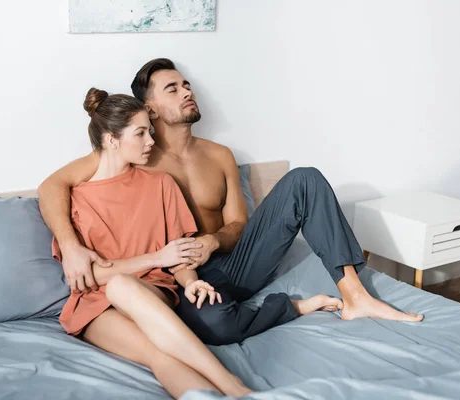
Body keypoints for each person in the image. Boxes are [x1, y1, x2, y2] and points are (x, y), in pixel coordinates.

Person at [39, 58, 423, 347]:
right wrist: (71, 247)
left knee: (305, 178)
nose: (187, 91)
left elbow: (239, 225)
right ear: (150, 109)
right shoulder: (136, 153)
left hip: (233, 264)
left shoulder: (219, 155)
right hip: (180, 277)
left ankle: (355, 294)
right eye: (172, 88)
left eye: (187, 84)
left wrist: (213, 241)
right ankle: (291, 307)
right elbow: (53, 185)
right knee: (217, 327)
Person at [56, 87, 252, 398]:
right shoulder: (76, 200)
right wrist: (155, 257)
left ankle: (234, 387)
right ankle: (232, 387)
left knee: (123, 286)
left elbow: (178, 253)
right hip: (95, 307)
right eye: (141, 133)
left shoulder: (162, 184)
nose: (151, 141)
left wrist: (189, 283)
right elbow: (92, 276)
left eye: (150, 130)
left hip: (152, 292)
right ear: (111, 140)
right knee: (159, 355)